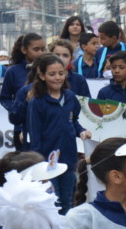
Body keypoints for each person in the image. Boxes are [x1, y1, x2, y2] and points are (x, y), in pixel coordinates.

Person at [25, 54, 90, 212]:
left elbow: (73, 121)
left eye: (61, 73)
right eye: (52, 74)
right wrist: (38, 164)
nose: (57, 78)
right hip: (47, 162)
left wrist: (81, 131)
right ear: (42, 76)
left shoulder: (70, 97)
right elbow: (35, 134)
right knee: (53, 202)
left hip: (68, 159)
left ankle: (65, 228)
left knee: (67, 202)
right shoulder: (37, 102)